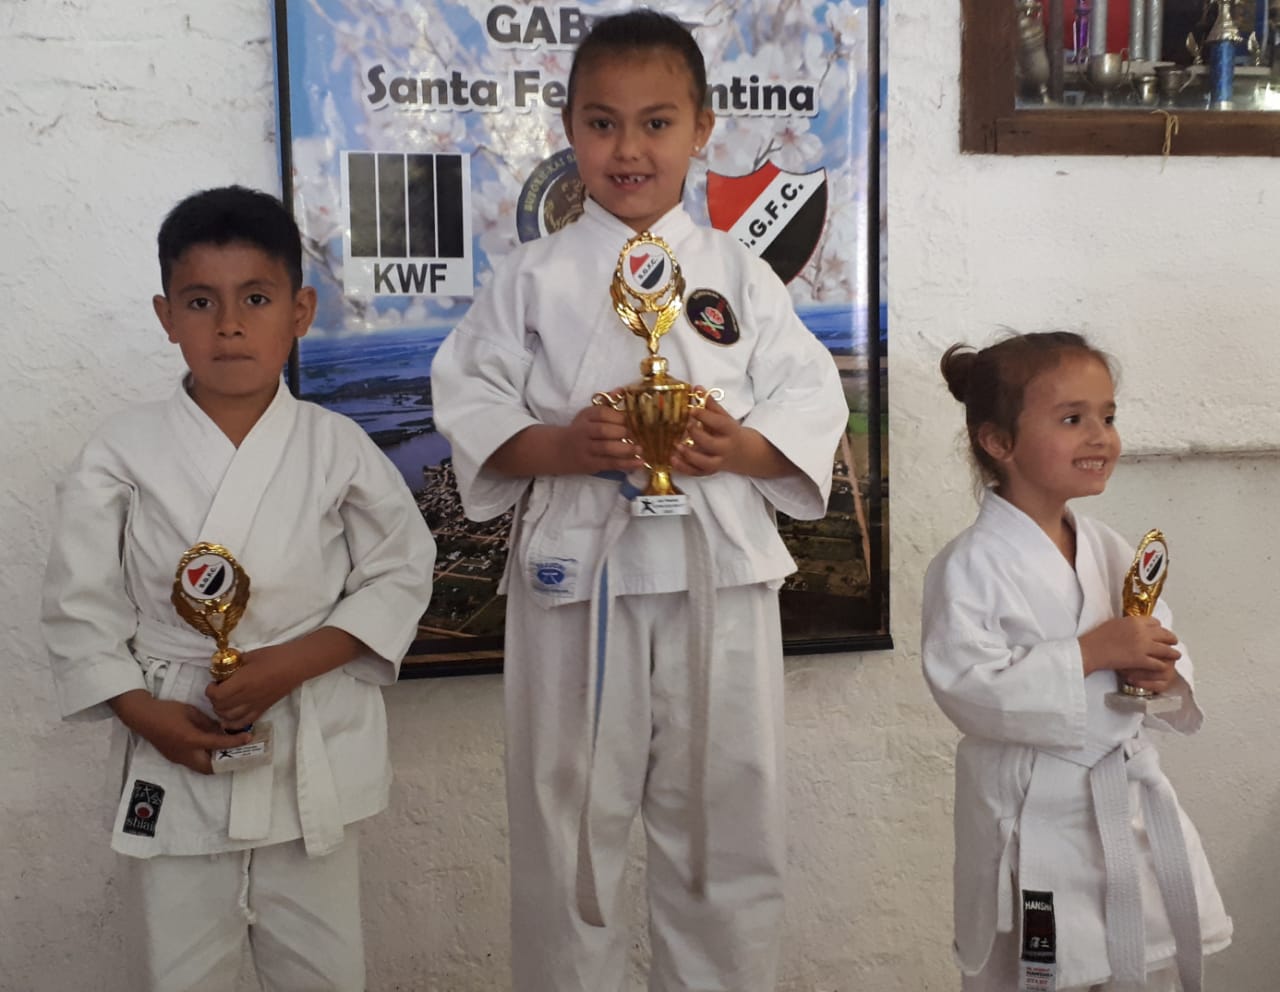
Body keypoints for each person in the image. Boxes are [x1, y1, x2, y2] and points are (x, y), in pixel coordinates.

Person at [431, 9, 847, 991]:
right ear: (568, 129)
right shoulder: (529, 277)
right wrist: (563, 445)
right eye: (603, 123)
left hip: (719, 572)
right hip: (577, 579)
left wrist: (740, 445)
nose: (629, 149)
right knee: (567, 827)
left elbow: (809, 396)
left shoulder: (740, 274)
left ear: (701, 130)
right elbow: (471, 398)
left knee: (727, 824)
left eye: (656, 123)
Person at [41, 185, 436, 991]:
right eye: (200, 302)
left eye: (255, 298)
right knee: (178, 968)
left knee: (325, 967)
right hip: (175, 733)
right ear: (166, 316)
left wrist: (292, 663)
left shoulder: (337, 445)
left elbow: (401, 568)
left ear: (300, 311)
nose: (228, 324)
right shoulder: (119, 451)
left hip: (307, 740)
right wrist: (142, 712)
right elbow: (79, 605)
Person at [922, 332, 1232, 992]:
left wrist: (1159, 670)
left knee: (1141, 963)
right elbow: (967, 688)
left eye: (1108, 416)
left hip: (1125, 798)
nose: (1100, 437)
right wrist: (1091, 653)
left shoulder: (1109, 547)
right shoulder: (968, 565)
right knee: (1043, 970)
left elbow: (1154, 638)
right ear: (998, 441)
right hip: (1033, 813)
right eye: (1072, 419)